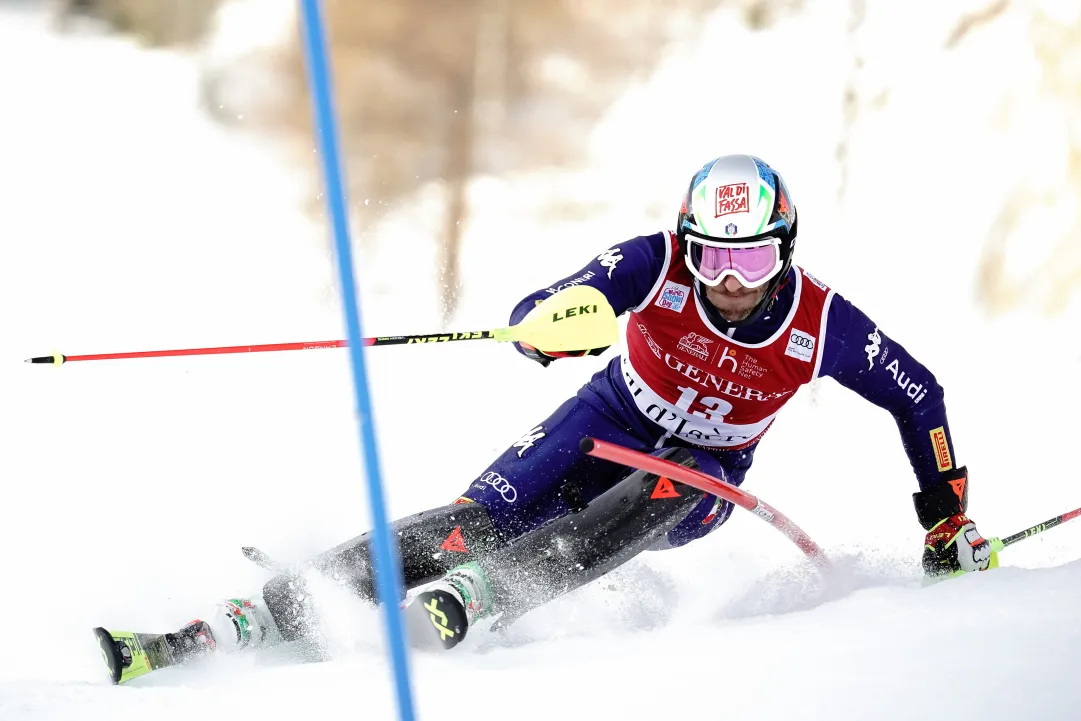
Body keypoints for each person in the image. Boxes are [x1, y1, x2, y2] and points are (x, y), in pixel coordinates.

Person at [137, 154, 998, 662]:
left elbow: (919, 394)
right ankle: (287, 601)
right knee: (475, 520)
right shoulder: (654, 262)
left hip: (701, 472)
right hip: (604, 417)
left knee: (675, 482)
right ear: (688, 246)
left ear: (786, 249)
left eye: (752, 260)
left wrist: (943, 518)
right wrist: (553, 327)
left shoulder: (819, 321)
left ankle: (489, 594)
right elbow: (548, 305)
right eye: (712, 260)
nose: (730, 285)